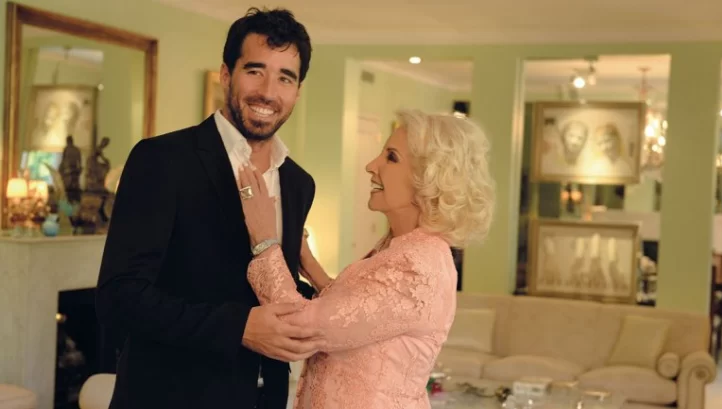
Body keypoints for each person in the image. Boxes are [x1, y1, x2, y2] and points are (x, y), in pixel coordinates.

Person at [96, 7, 322, 409]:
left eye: (285, 78)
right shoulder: (161, 160)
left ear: (298, 91)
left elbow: (270, 288)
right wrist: (240, 328)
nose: (268, 91)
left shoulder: (299, 184)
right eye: (255, 70)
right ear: (226, 74)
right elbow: (120, 296)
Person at [237, 109, 495, 408]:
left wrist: (264, 238)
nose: (371, 166)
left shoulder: (418, 265)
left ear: (429, 179)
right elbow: (356, 316)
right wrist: (309, 263)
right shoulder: (401, 247)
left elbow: (297, 327)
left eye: (391, 157)